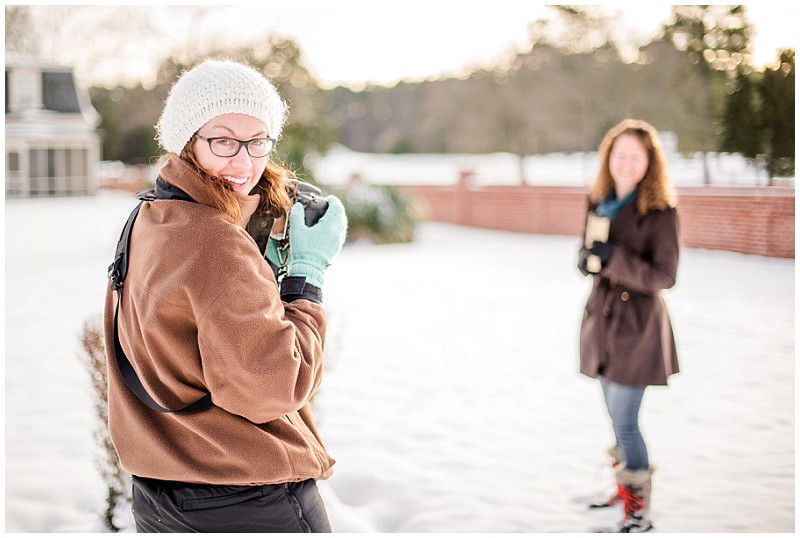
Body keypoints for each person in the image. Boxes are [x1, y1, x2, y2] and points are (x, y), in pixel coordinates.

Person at [102, 59, 347, 532]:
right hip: (244, 498)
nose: (244, 162)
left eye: (258, 142)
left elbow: (186, 332)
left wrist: (256, 262)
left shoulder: (149, 218)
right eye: (223, 141)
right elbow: (273, 388)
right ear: (187, 140)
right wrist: (305, 276)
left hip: (160, 491)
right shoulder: (214, 240)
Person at [577, 119, 679, 533]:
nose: (626, 163)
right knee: (612, 415)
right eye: (620, 155)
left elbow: (664, 276)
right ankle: (623, 488)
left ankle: (638, 508)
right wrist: (585, 259)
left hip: (638, 330)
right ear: (609, 158)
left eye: (635, 156)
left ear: (648, 162)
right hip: (601, 325)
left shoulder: (661, 212)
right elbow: (587, 251)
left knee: (625, 421)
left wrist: (613, 257)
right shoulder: (598, 200)